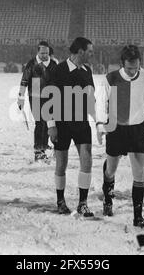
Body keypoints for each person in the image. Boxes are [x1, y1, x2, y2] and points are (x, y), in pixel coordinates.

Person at [96, 45, 144, 227]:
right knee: (111, 169)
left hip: (137, 130)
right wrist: (100, 125)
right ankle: (108, 198)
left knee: (139, 174)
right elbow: (101, 104)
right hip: (116, 130)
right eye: (129, 68)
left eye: (136, 67)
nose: (133, 71)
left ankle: (138, 218)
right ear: (122, 64)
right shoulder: (111, 78)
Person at [47, 37, 96, 217]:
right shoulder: (58, 70)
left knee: (87, 157)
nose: (92, 54)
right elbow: (48, 98)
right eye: (90, 51)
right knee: (62, 164)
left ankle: (83, 203)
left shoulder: (87, 71)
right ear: (80, 51)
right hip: (61, 122)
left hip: (81, 121)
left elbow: (91, 95)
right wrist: (51, 125)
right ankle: (60, 201)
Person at [18, 41, 58, 162]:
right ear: (38, 52)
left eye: (46, 53)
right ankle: (38, 150)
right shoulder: (32, 63)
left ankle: (43, 146)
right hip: (35, 95)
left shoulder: (53, 63)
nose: (44, 55)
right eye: (42, 53)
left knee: (48, 123)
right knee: (39, 122)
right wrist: (21, 98)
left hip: (50, 95)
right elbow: (24, 80)